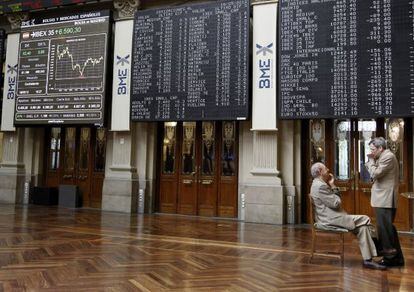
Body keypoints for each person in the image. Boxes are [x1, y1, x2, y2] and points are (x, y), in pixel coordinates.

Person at [310, 162, 386, 270]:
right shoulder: (320, 186)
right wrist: (333, 185)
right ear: (320, 172)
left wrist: (331, 187)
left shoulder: (318, 183)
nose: (328, 170)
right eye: (325, 169)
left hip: (331, 217)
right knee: (366, 218)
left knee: (363, 228)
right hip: (330, 219)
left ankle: (368, 260)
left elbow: (334, 202)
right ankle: (380, 248)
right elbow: (336, 203)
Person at [365, 137, 404, 267]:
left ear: (380, 148)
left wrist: (370, 161)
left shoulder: (388, 157)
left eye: (372, 149)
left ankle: (389, 259)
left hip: (385, 199)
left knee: (385, 229)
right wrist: (373, 161)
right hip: (383, 199)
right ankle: (397, 258)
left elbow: (375, 173)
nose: (371, 152)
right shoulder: (383, 157)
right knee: (388, 229)